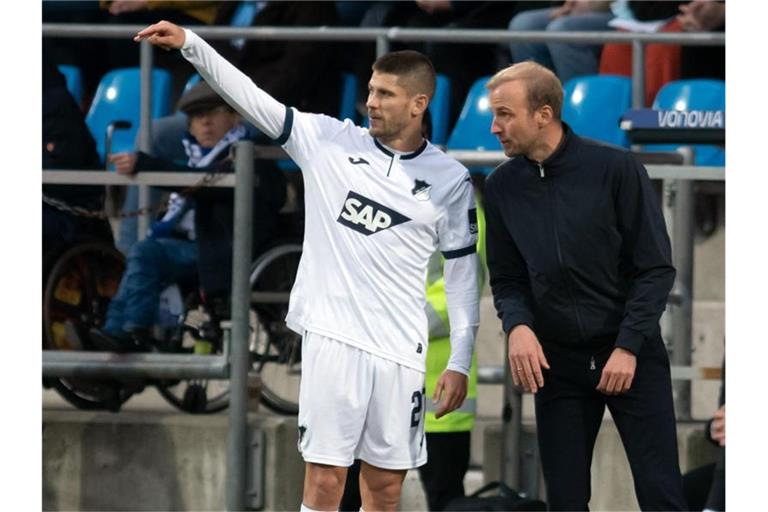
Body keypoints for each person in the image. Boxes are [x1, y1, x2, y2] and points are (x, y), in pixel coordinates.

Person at [135, 20, 480, 511]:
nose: (372, 103)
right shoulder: (328, 142)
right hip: (333, 341)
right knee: (323, 483)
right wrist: (193, 46)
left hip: (402, 353)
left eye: (385, 93)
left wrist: (460, 361)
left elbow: (464, 276)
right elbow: (253, 98)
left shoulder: (451, 180)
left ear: (418, 104)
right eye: (370, 91)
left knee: (385, 491)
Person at [483, 61, 686, 511]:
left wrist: (629, 345)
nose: (495, 127)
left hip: (631, 355)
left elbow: (655, 269)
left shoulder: (616, 169)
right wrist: (517, 326)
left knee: (662, 495)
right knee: (566, 501)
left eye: (504, 114)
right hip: (559, 363)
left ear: (544, 114)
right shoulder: (500, 187)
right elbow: (507, 278)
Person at [89, 82, 252, 351]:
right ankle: (113, 333)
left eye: (215, 112)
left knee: (145, 252)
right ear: (188, 127)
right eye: (198, 117)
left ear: (235, 117)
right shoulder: (197, 158)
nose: (206, 122)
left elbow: (203, 185)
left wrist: (146, 163)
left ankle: (132, 332)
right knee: (142, 256)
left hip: (218, 250)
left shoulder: (243, 154)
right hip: (191, 245)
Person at [507, 1, 615, 84]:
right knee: (523, 24)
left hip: (621, 11)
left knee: (562, 29)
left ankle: (581, 104)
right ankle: (538, 100)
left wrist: (593, 4)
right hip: (582, 4)